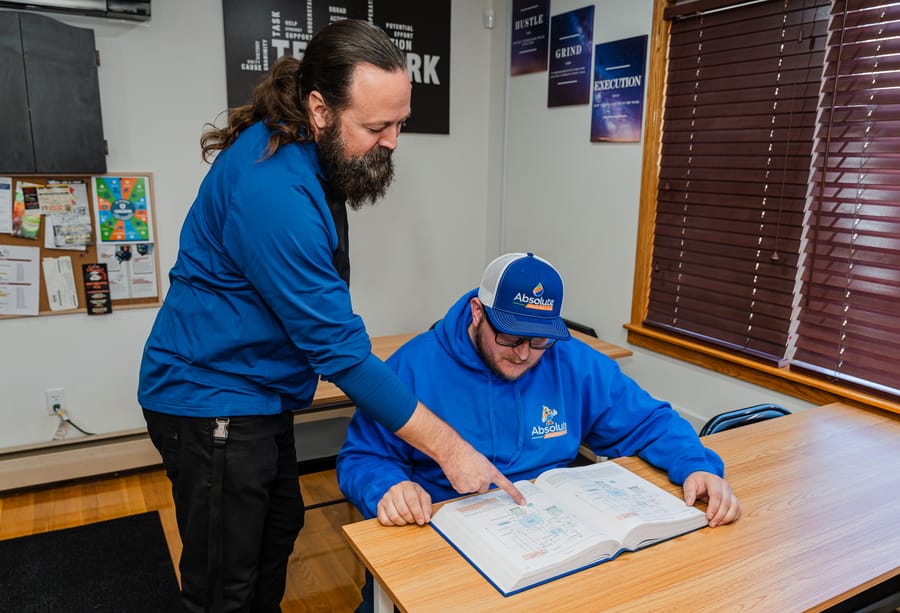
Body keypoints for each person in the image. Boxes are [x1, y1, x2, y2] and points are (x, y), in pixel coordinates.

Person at [137, 20, 522, 613]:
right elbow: (339, 353)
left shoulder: (311, 150)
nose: (393, 140)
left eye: (400, 123)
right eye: (377, 126)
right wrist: (452, 450)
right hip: (211, 396)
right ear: (320, 108)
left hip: (257, 391)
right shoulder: (274, 191)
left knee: (279, 527)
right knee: (223, 584)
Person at [337, 252, 741, 610]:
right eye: (510, 336)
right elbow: (362, 457)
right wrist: (388, 487)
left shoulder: (573, 363)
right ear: (478, 312)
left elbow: (649, 420)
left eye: (540, 340)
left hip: (551, 542)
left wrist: (695, 465)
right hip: (444, 538)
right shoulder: (414, 366)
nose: (524, 354)